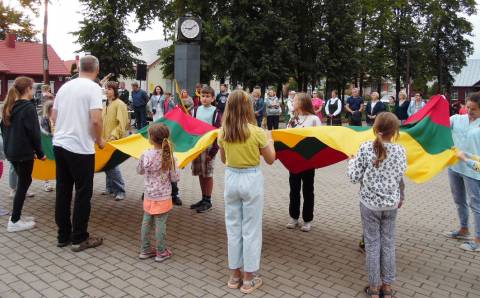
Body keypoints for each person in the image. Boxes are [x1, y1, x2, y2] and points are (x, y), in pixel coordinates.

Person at [218, 90, 276, 294]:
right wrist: (270, 139)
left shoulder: (223, 131)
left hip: (231, 178)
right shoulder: (257, 132)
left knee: (233, 228)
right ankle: (249, 279)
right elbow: (270, 159)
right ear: (248, 107)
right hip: (251, 179)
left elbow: (223, 160)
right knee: (251, 230)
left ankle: (234, 276)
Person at [348, 112, 407, 298]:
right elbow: (400, 178)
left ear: (375, 128)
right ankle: (387, 287)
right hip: (391, 204)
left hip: (370, 204)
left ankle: (374, 288)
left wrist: (351, 162)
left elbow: (353, 177)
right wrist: (401, 197)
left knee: (373, 245)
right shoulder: (401, 150)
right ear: (395, 131)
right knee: (388, 244)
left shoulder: (365, 148)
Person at [52, 55, 105, 251]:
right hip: (80, 148)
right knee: (83, 193)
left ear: (79, 68)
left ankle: (63, 235)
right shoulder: (93, 88)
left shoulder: (64, 87)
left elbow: (54, 116)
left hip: (60, 145)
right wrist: (99, 140)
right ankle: (79, 238)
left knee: (63, 190)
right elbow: (96, 120)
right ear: (97, 70)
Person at [1, 76, 46, 232]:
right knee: (23, 184)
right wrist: (41, 153)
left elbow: (4, 131)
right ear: (27, 89)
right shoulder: (27, 107)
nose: (34, 90)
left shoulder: (10, 106)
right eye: (33, 88)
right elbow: (34, 134)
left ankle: (17, 216)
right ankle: (14, 221)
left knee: (23, 182)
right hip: (23, 153)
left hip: (12, 153)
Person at [137, 123, 179, 262]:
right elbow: (175, 178)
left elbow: (139, 171)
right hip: (163, 196)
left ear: (150, 138)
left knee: (146, 222)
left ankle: (145, 250)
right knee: (160, 223)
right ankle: (161, 252)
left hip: (149, 195)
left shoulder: (145, 154)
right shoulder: (169, 156)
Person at [444, 92, 480, 252]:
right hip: (454, 167)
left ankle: (478, 240)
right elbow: (439, 125)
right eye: (467, 107)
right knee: (459, 200)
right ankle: (464, 229)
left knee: (476, 205)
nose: (469, 111)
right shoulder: (457, 119)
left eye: (474, 109)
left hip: (474, 171)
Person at [286, 93, 321, 232]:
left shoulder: (314, 119)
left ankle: (307, 220)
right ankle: (294, 217)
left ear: (302, 102)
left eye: (295, 100)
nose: (293, 102)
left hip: (308, 160)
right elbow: (286, 136)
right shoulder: (292, 119)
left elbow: (319, 139)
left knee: (308, 190)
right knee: (293, 190)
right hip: (294, 160)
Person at [189, 86, 222, 213]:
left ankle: (208, 200)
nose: (205, 98)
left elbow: (218, 133)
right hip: (198, 147)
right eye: (203, 96)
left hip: (209, 148)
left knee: (208, 174)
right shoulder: (195, 110)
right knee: (200, 173)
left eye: (208, 96)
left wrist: (213, 152)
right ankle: (203, 198)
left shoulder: (216, 112)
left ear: (213, 98)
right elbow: (191, 128)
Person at [102, 81, 129, 201]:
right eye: (106, 89)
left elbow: (122, 123)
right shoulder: (106, 104)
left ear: (115, 91)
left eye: (110, 89)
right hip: (105, 140)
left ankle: (120, 190)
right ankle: (110, 188)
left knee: (112, 165)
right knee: (106, 164)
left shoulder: (120, 104)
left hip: (114, 140)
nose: (107, 91)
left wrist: (113, 135)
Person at [40, 100, 55, 192]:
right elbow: (45, 132)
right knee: (47, 163)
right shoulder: (45, 118)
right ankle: (47, 183)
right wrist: (52, 135)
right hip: (48, 144)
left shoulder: (57, 117)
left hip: (57, 143)